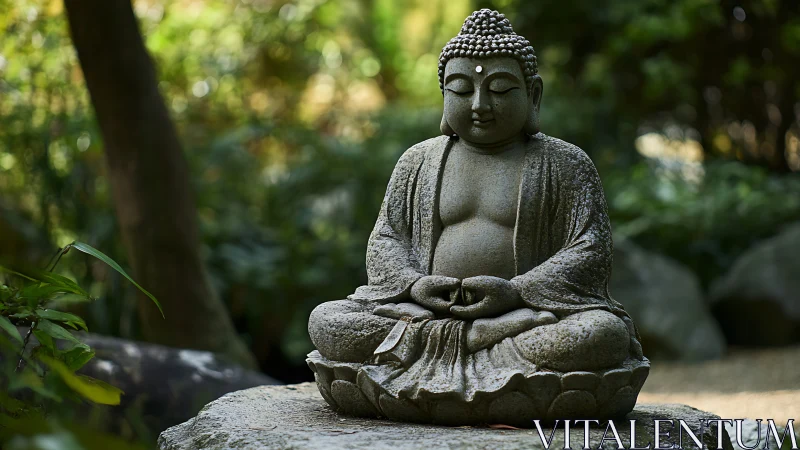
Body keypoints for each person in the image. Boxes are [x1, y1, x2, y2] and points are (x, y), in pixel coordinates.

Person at [308, 8, 644, 415]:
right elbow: (386, 239)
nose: (480, 104)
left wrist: (517, 291)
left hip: (524, 317)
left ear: (533, 95)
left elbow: (590, 249)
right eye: (462, 89)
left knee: (601, 333)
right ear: (444, 96)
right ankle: (476, 347)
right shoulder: (418, 161)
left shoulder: (564, 163)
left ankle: (454, 354)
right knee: (328, 320)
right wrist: (415, 285)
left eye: (501, 89)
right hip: (423, 315)